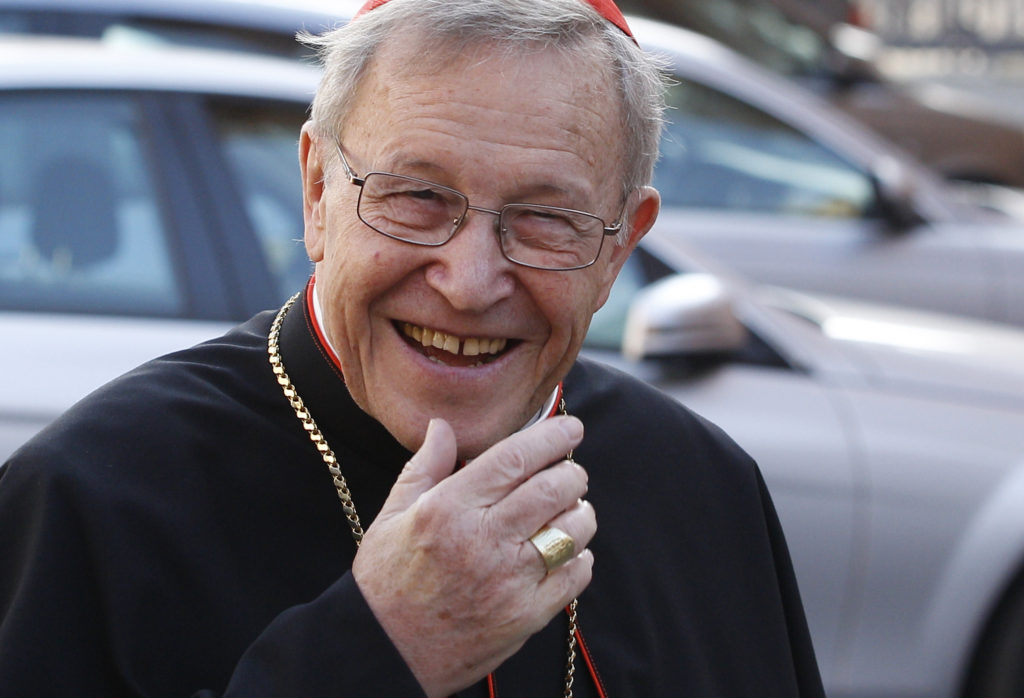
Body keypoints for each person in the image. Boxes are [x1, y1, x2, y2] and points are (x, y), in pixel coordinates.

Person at [0, 0, 825, 695]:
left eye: (545, 219)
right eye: (418, 197)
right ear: (319, 191)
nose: (468, 283)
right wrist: (373, 652)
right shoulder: (91, 500)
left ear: (618, 249)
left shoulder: (706, 492)